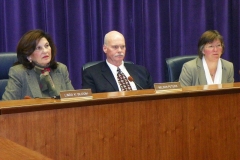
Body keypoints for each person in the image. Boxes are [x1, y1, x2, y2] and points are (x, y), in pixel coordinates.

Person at [2, 29, 74, 100]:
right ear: (28, 56)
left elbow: (73, 100)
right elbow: (6, 105)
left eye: (47, 46)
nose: (45, 51)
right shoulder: (19, 73)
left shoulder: (61, 69)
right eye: (38, 48)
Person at [82, 30, 153, 93]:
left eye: (122, 47)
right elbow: (90, 103)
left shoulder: (141, 71)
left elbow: (153, 95)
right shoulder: (91, 74)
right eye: (115, 47)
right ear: (105, 48)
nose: (120, 50)